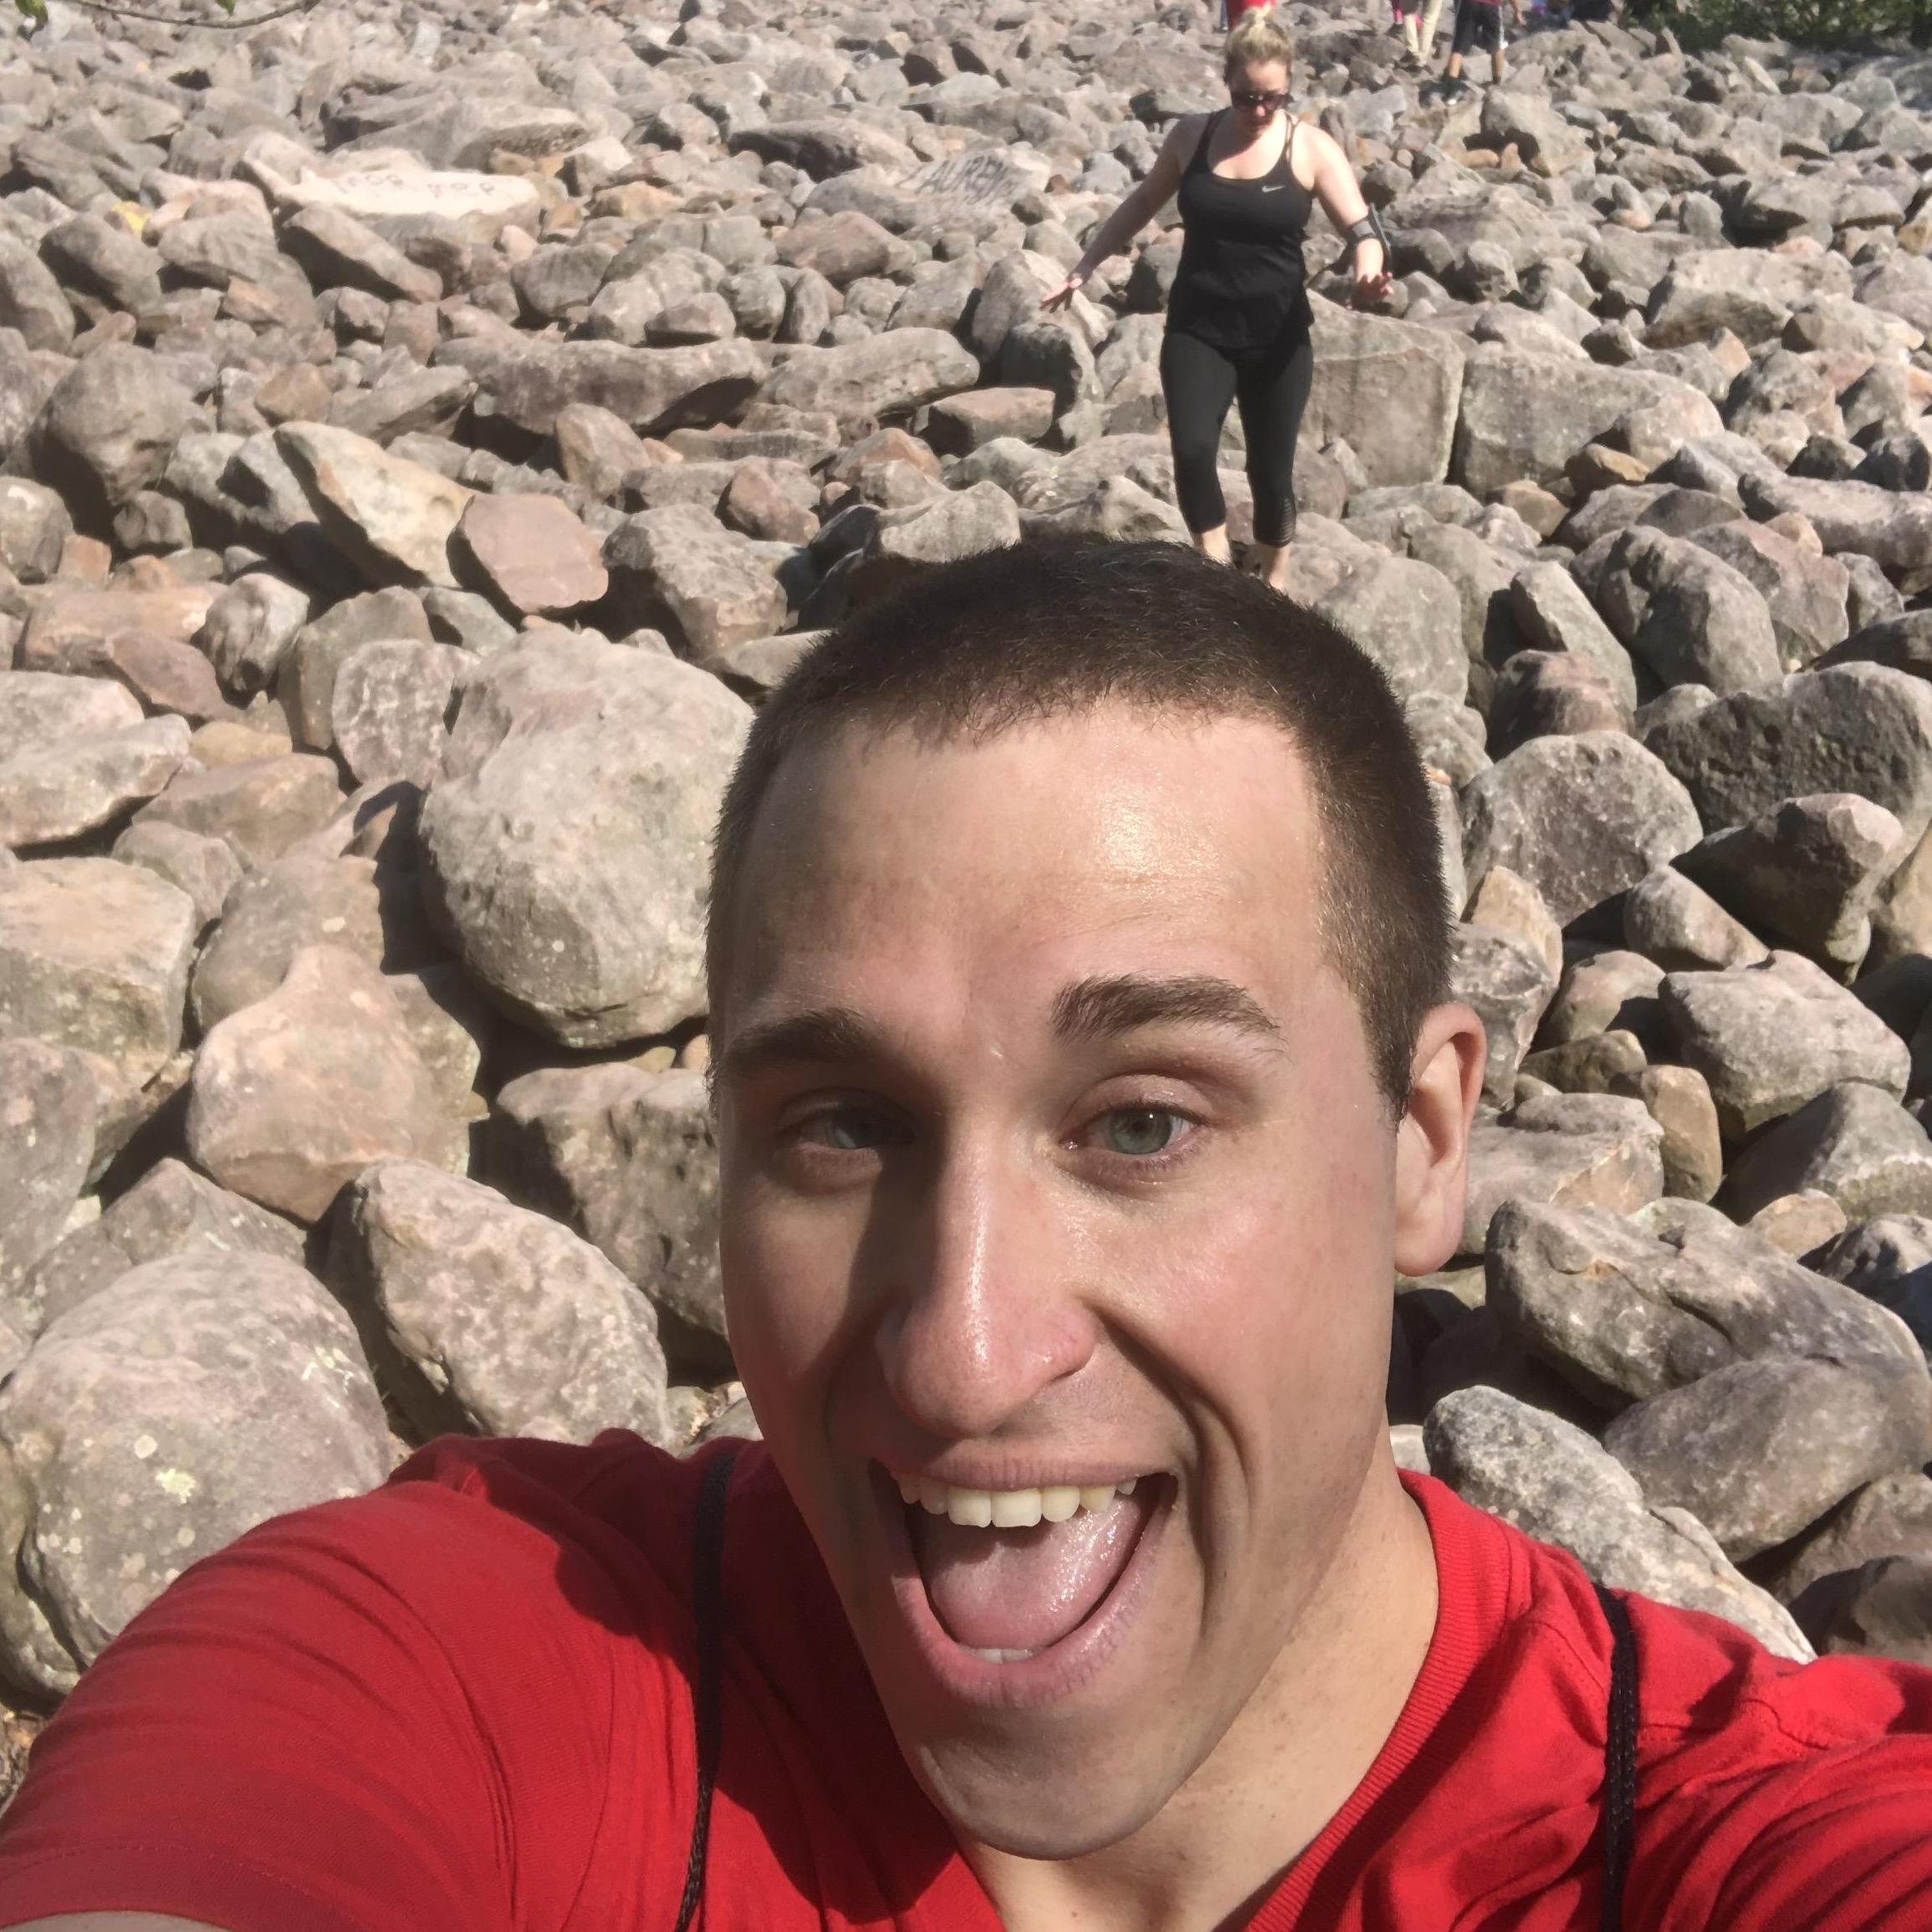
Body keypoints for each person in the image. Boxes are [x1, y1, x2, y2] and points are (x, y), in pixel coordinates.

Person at [1, 539, 1932, 1932]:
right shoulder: (470, 1664)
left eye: (1146, 1124)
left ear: (1428, 1139)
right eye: (845, 1126)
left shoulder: (1729, 1836)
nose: (961, 1350)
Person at [1041, 8, 1391, 593]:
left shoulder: (1309, 148)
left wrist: (1369, 271)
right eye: (1245, 97)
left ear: (1288, 90)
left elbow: (1363, 229)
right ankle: (1213, 568)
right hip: (1199, 327)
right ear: (1226, 83)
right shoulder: (1193, 136)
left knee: (1271, 473)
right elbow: (1142, 202)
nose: (1258, 112)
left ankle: (1272, 579)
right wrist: (1085, 264)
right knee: (1195, 448)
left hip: (1277, 338)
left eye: (1272, 99)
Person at [1442, 0, 1526, 92]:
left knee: (1458, 48)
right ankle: (1496, 82)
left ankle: (1450, 89)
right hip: (1492, 6)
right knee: (1497, 45)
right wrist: (1517, 10)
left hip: (1468, 5)